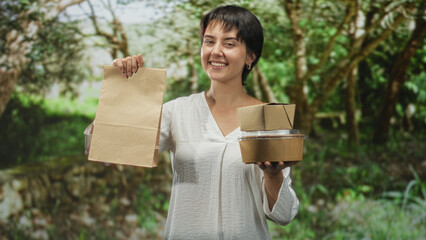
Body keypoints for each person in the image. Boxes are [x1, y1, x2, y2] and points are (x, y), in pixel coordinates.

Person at [86, 5, 299, 239]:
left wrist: (273, 175)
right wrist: (124, 88)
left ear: (250, 55)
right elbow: (107, 148)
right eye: (209, 41)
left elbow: (284, 215)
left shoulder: (269, 119)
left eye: (229, 43)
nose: (216, 51)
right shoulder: (178, 111)